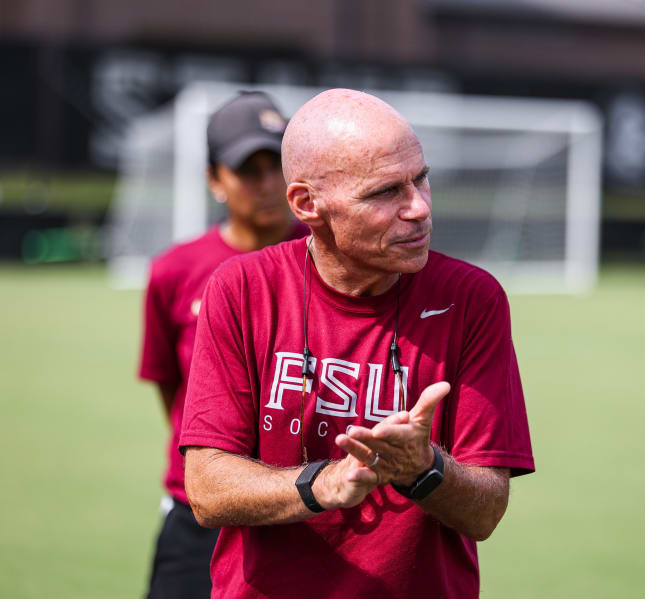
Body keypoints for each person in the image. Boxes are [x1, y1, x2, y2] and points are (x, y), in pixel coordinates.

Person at [180, 88, 535, 599]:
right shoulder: (240, 288)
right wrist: (323, 484)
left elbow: (485, 512)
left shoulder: (472, 300)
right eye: (385, 192)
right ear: (307, 204)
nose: (418, 208)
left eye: (421, 179)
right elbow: (207, 489)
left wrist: (423, 467)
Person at [138, 91, 308, 599]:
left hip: (304, 500)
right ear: (214, 179)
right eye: (247, 170)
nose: (267, 184)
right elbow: (172, 385)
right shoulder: (175, 270)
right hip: (200, 512)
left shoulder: (332, 259)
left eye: (276, 166)